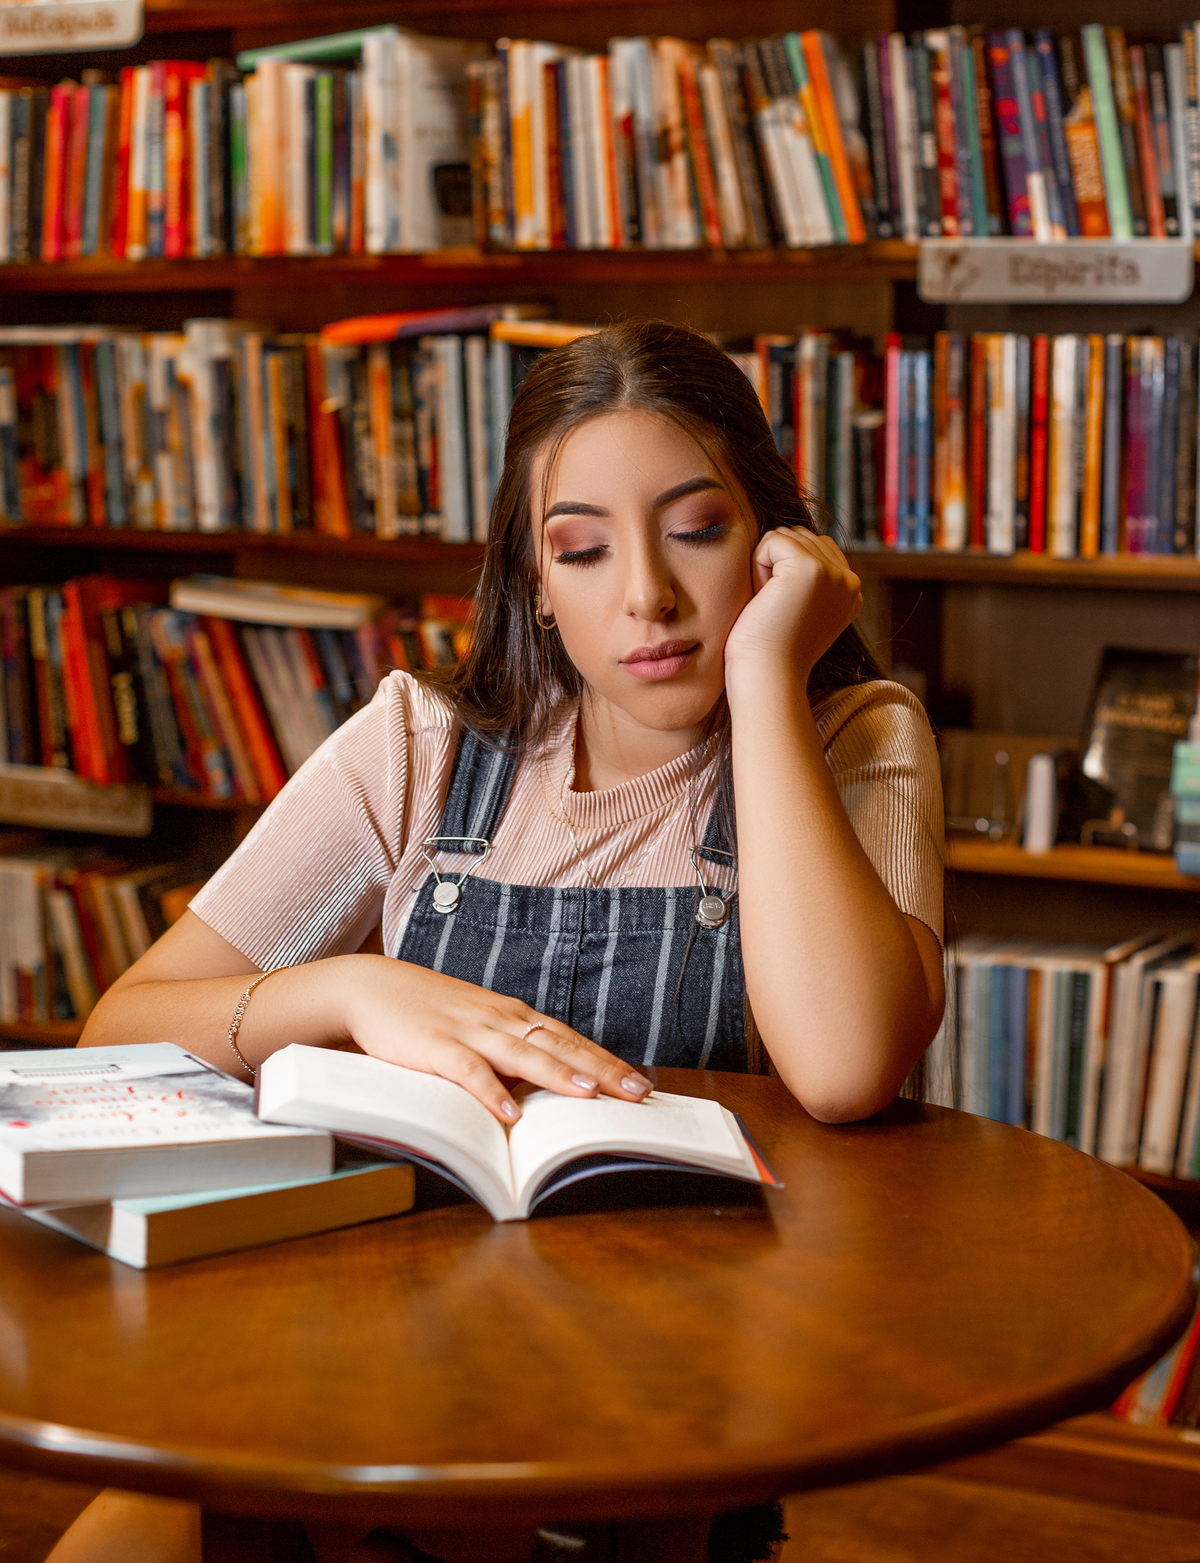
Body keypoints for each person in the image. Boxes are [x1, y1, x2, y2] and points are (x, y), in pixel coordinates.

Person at [53, 320, 945, 1563]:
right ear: (534, 579)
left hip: (670, 1426)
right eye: (582, 549)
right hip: (370, 1375)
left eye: (697, 528)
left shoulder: (852, 737)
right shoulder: (420, 746)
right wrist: (351, 987)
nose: (647, 593)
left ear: (775, 546)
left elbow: (849, 1070)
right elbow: (122, 1031)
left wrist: (764, 681)